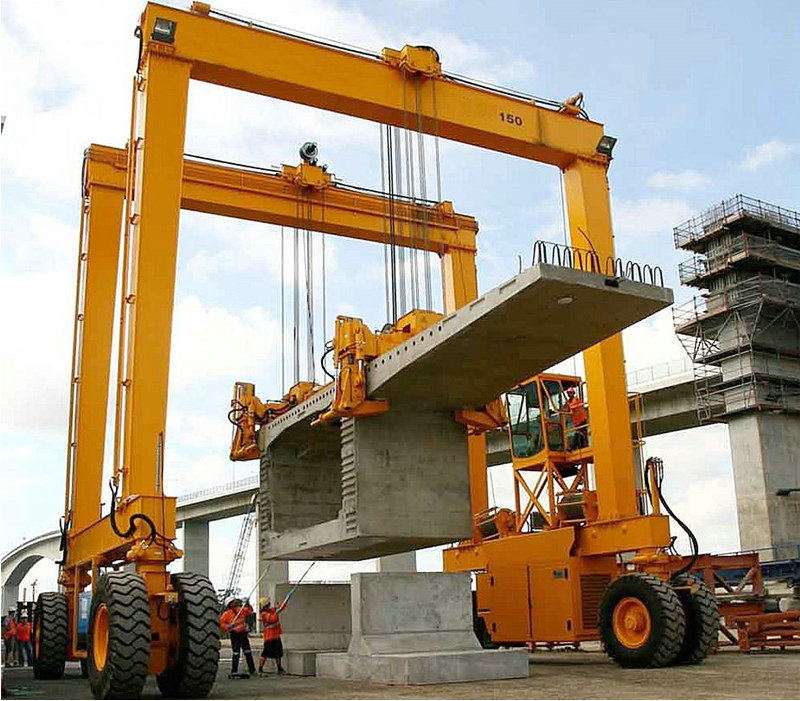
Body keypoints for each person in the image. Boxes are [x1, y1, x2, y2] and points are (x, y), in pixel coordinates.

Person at [220, 597, 255, 678]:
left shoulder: (241, 610)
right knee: (236, 653)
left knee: (248, 652)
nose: (235, 603)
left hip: (243, 634)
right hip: (234, 635)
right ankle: (234, 671)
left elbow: (250, 612)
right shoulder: (226, 614)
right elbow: (221, 624)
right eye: (233, 602)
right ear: (229, 604)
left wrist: (248, 604)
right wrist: (228, 626)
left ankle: (252, 670)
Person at [258, 594, 290, 676]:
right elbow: (272, 619)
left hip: (276, 635)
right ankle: (260, 668)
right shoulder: (264, 614)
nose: (269, 606)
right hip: (269, 637)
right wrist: (276, 613)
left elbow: (280, 608)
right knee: (265, 653)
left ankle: (279, 668)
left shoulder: (271, 611)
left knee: (278, 653)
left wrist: (286, 600)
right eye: (268, 605)